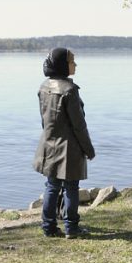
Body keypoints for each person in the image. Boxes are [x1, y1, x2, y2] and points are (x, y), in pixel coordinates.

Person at [34, 47, 95, 239]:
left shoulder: (44, 87)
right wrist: (88, 149)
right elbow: (79, 126)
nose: (75, 64)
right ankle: (71, 228)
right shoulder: (69, 90)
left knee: (52, 186)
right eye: (72, 61)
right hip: (69, 148)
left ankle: (48, 227)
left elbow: (44, 120)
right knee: (71, 187)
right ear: (62, 64)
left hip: (49, 143)